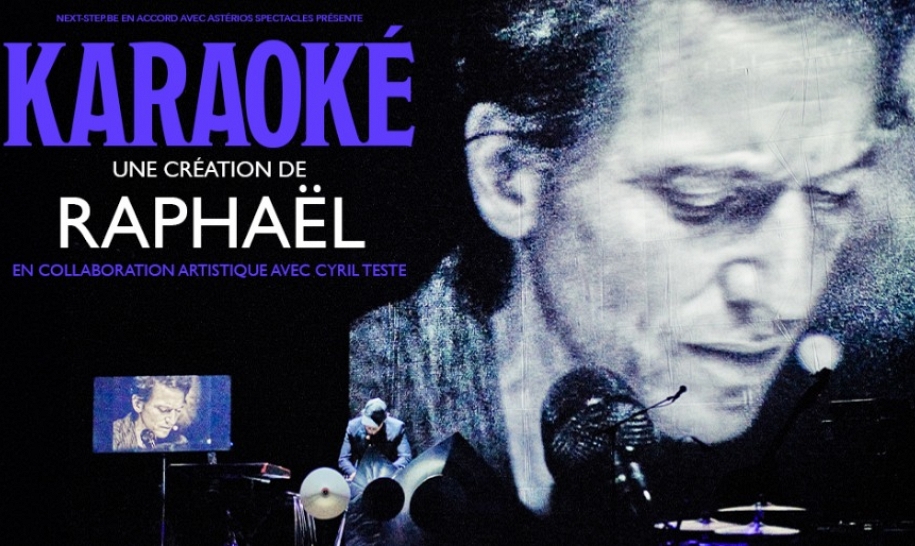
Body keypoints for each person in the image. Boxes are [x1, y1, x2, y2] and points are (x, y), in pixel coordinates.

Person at [349, 0, 915, 540]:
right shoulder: (368, 406)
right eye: (702, 198)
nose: (790, 297)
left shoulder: (827, 442)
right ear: (510, 176)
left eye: (834, 195)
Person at [112, 375, 195, 451]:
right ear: (138, 404)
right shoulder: (112, 438)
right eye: (163, 410)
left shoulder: (180, 443)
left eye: (178, 410)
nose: (172, 421)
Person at [339, 398, 412, 480]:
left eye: (374, 428)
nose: (371, 431)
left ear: (383, 421)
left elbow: (405, 457)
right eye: (368, 427)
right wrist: (354, 473)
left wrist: (389, 473)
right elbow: (343, 458)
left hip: (389, 474)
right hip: (361, 474)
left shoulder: (397, 428)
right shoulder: (352, 427)